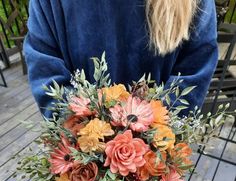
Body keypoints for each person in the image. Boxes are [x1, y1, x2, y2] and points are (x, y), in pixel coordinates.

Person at [23, 0, 218, 119]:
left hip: (155, 163)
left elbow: (195, 67)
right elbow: (45, 66)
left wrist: (145, 143)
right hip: (85, 162)